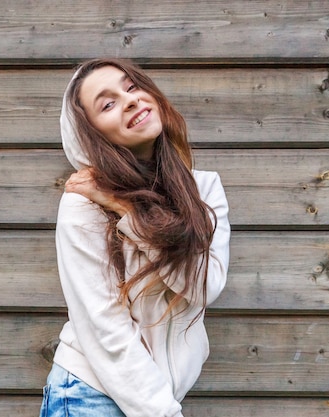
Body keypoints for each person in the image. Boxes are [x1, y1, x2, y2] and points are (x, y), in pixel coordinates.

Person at [39, 58, 230, 417]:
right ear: (90, 135)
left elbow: (205, 286)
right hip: (90, 397)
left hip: (154, 398)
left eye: (131, 87)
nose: (129, 101)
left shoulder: (204, 190)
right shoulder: (83, 205)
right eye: (107, 104)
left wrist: (128, 212)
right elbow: (104, 327)